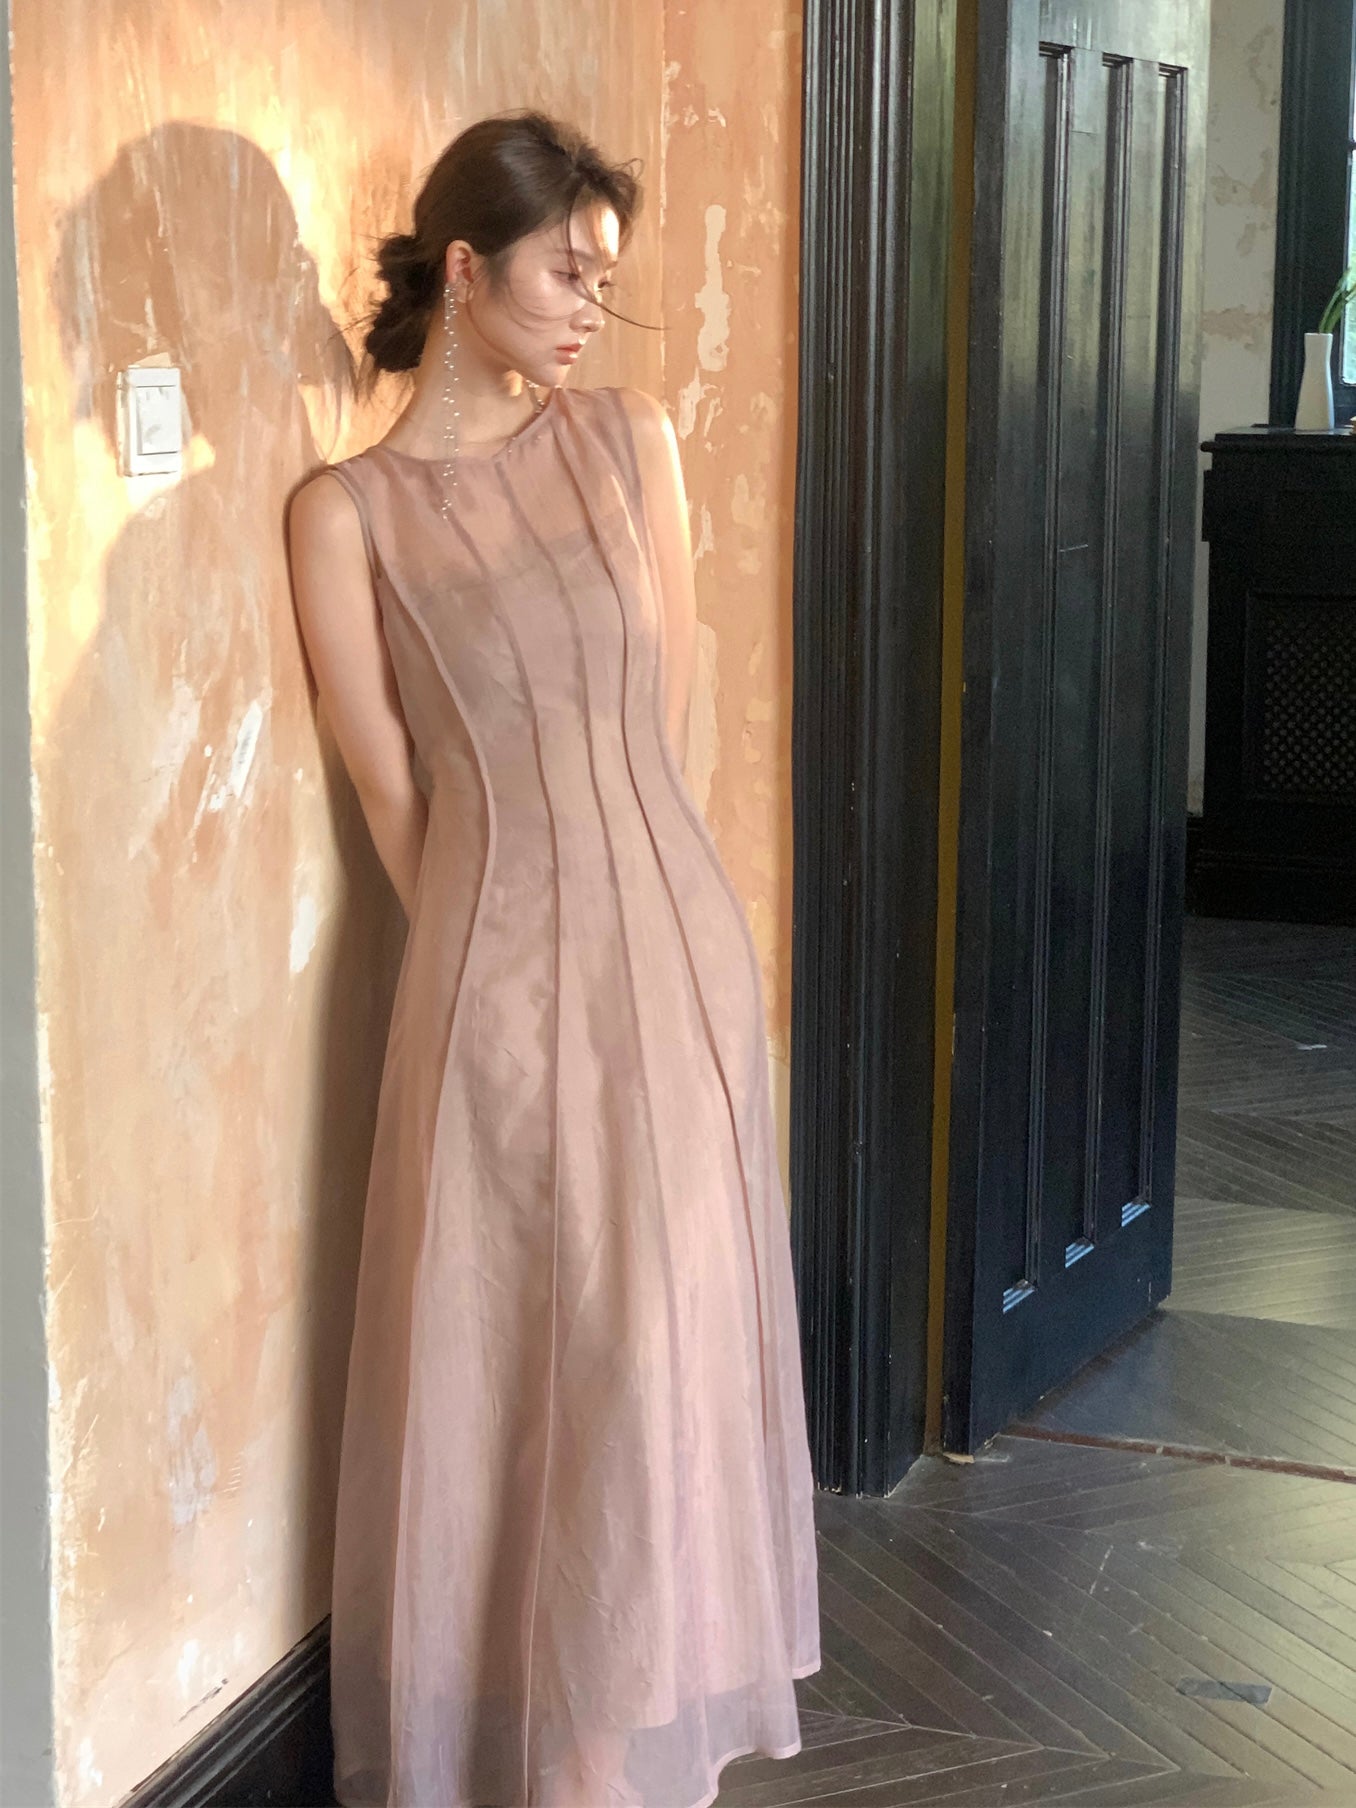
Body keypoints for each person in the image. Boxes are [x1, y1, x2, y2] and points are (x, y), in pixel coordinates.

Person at [287, 110, 821, 1808]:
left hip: (677, 966)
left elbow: (664, 706)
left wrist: (640, 920)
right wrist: (497, 958)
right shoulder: (346, 513)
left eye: (608, 278)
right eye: (568, 273)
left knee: (653, 1362)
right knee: (537, 1365)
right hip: (496, 986)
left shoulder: (630, 441)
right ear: (466, 269)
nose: (596, 307)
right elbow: (392, 792)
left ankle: (606, 1756)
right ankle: (550, 1764)